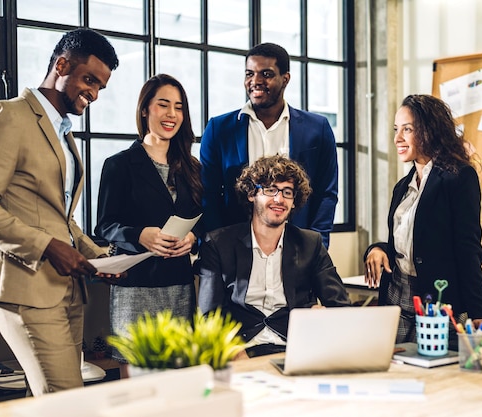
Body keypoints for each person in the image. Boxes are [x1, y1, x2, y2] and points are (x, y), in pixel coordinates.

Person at [0, 28, 120, 395]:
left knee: (51, 397)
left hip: (66, 286)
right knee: (66, 397)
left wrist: (98, 256)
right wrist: (48, 246)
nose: (93, 93)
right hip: (23, 282)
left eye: (101, 87)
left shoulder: (63, 132)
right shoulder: (8, 117)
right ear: (62, 65)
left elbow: (57, 216)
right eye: (89, 80)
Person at [363, 94, 482, 344]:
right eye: (397, 130)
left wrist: (480, 313)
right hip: (397, 298)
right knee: (395, 377)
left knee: (439, 377)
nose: (398, 138)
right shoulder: (402, 187)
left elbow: (467, 248)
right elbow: (411, 244)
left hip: (440, 303)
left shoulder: (459, 178)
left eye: (408, 129)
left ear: (430, 130)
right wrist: (378, 248)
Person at [95, 74, 203, 367]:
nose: (171, 115)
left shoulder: (193, 168)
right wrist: (140, 235)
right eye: (163, 105)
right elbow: (105, 226)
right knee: (137, 378)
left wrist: (193, 239)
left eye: (179, 107)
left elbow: (204, 224)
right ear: (145, 109)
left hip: (179, 284)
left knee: (179, 377)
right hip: (135, 287)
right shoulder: (118, 165)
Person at [198, 155, 350, 358]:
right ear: (252, 194)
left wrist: (321, 319)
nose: (279, 199)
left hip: (297, 348)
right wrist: (232, 349)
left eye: (287, 192)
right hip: (241, 350)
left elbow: (340, 306)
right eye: (270, 190)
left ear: (294, 201)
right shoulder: (218, 243)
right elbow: (209, 315)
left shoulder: (310, 243)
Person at [200, 42, 338, 248]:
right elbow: (208, 195)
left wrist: (317, 244)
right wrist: (217, 246)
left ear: (285, 79)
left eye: (266, 74)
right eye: (249, 74)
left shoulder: (317, 129)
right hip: (236, 249)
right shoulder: (219, 129)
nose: (255, 81)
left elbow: (326, 193)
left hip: (297, 248)